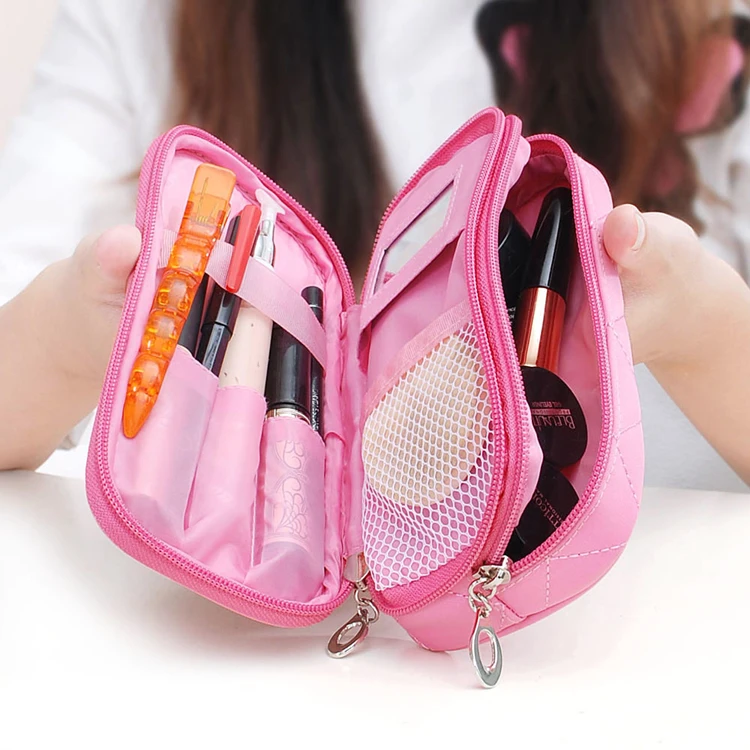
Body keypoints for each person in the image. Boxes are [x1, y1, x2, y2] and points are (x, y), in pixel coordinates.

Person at [0, 0, 748, 490]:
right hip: (220, 645)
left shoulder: (708, 37)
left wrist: (706, 332)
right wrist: (69, 336)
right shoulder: (139, 20)